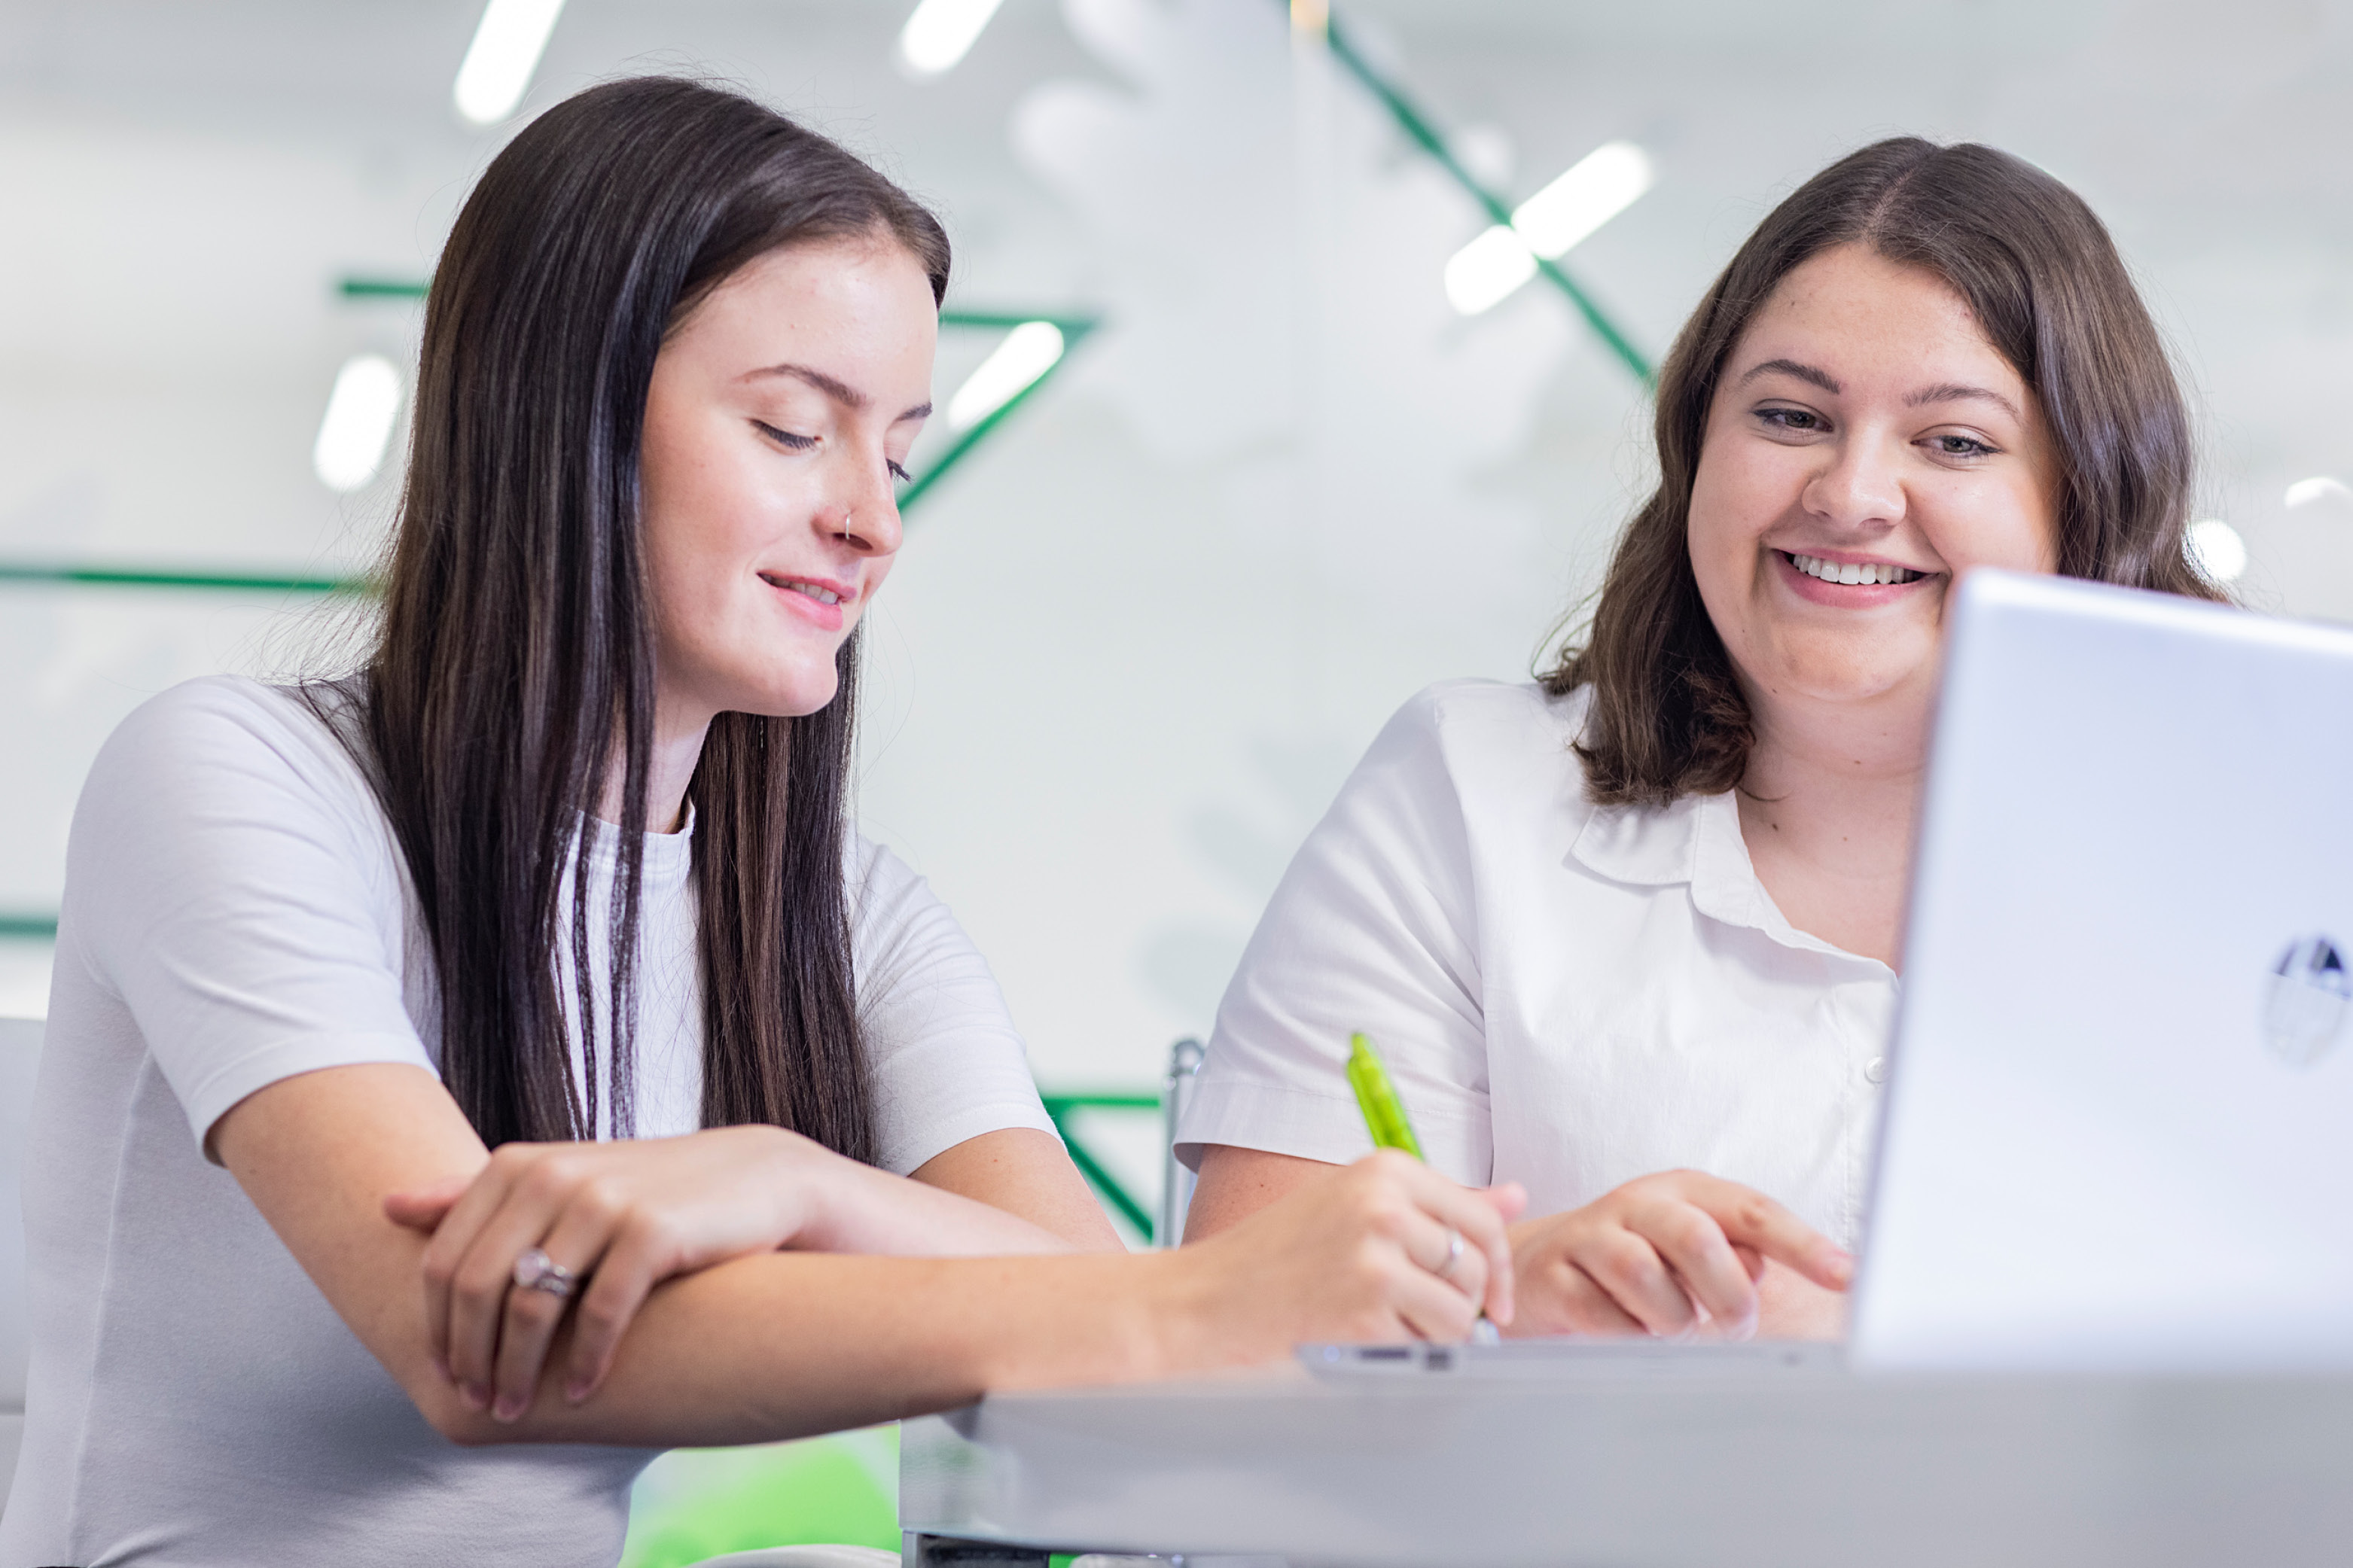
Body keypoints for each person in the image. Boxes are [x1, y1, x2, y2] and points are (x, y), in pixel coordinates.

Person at [0, 78, 1520, 1568]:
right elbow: (474, 1340)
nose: (876, 518)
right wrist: (1216, 1299)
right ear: (562, 420)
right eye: (797, 429)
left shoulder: (845, 915)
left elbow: (1074, 1281)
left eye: (900, 451)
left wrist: (800, 1182)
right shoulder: (235, 780)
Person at [1177, 137, 2223, 1342]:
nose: (1850, 494)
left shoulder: (2265, 843)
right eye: (1789, 416)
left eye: (1954, 442)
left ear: (2083, 498)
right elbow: (1233, 1327)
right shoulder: (1469, 795)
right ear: (1696, 451)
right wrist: (1520, 1292)